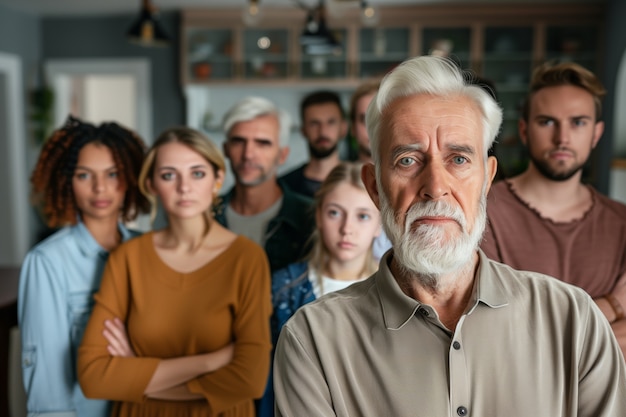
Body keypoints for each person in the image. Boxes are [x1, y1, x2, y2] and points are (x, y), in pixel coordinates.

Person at [273, 55, 626, 416]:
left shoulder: (574, 321)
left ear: (487, 179)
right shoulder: (312, 340)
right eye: (408, 160)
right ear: (375, 187)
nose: (435, 187)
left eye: (458, 159)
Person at [77, 127, 272, 416]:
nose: (184, 187)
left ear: (217, 179)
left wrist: (139, 376)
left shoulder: (247, 259)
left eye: (197, 173)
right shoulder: (128, 258)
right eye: (169, 175)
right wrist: (211, 361)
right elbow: (93, 377)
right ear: (151, 184)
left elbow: (250, 380)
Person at [480, 61, 626, 355]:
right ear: (523, 130)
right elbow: (493, 334)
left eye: (578, 122)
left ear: (596, 134)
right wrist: (612, 306)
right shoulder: (483, 213)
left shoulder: (622, 223)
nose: (562, 137)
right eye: (547, 122)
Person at [18, 115, 149, 417]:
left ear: (130, 177)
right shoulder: (47, 262)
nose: (100, 188)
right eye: (84, 175)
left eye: (112, 173)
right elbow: (48, 388)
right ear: (66, 182)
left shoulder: (150, 250)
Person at [258, 161, 381, 417]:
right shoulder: (285, 286)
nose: (347, 228)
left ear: (379, 223)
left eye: (362, 216)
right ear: (318, 215)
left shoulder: (396, 285)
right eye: (335, 213)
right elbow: (269, 377)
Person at [214, 96, 315, 273]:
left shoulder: (311, 217)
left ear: (282, 155)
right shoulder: (207, 216)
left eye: (262, 143)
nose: (248, 154)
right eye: (239, 141)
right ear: (226, 149)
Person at [348, 79, 392, 259]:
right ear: (352, 128)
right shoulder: (339, 184)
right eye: (364, 119)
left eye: (380, 118)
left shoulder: (417, 184)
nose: (371, 128)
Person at [280, 90, 347, 198]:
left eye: (331, 122)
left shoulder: (360, 181)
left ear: (344, 128)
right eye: (314, 123)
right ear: (303, 130)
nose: (323, 132)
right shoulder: (284, 186)